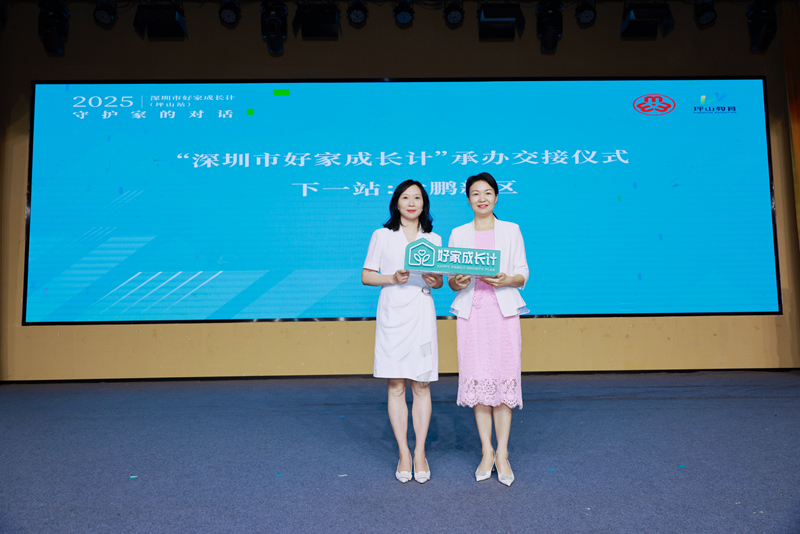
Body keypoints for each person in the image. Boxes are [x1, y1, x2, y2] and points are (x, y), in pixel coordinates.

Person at [448, 172, 529, 487]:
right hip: (473, 314)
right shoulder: (458, 234)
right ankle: (486, 451)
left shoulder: (511, 230)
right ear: (468, 199)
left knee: (503, 381)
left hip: (502, 313)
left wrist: (508, 280)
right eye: (475, 193)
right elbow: (452, 280)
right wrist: (458, 281)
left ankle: (503, 453)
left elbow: (522, 272)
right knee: (479, 380)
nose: (481, 198)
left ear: (496, 196)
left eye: (487, 193)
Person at [362, 179, 444, 484]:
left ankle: (420, 452)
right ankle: (403, 453)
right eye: (406, 197)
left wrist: (434, 279)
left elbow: (438, 281)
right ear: (396, 202)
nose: (411, 203)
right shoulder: (382, 235)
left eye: (417, 198)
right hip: (393, 314)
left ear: (424, 204)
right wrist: (392, 278)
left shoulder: (434, 239)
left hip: (421, 313)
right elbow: (367, 276)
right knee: (396, 385)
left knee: (421, 385)